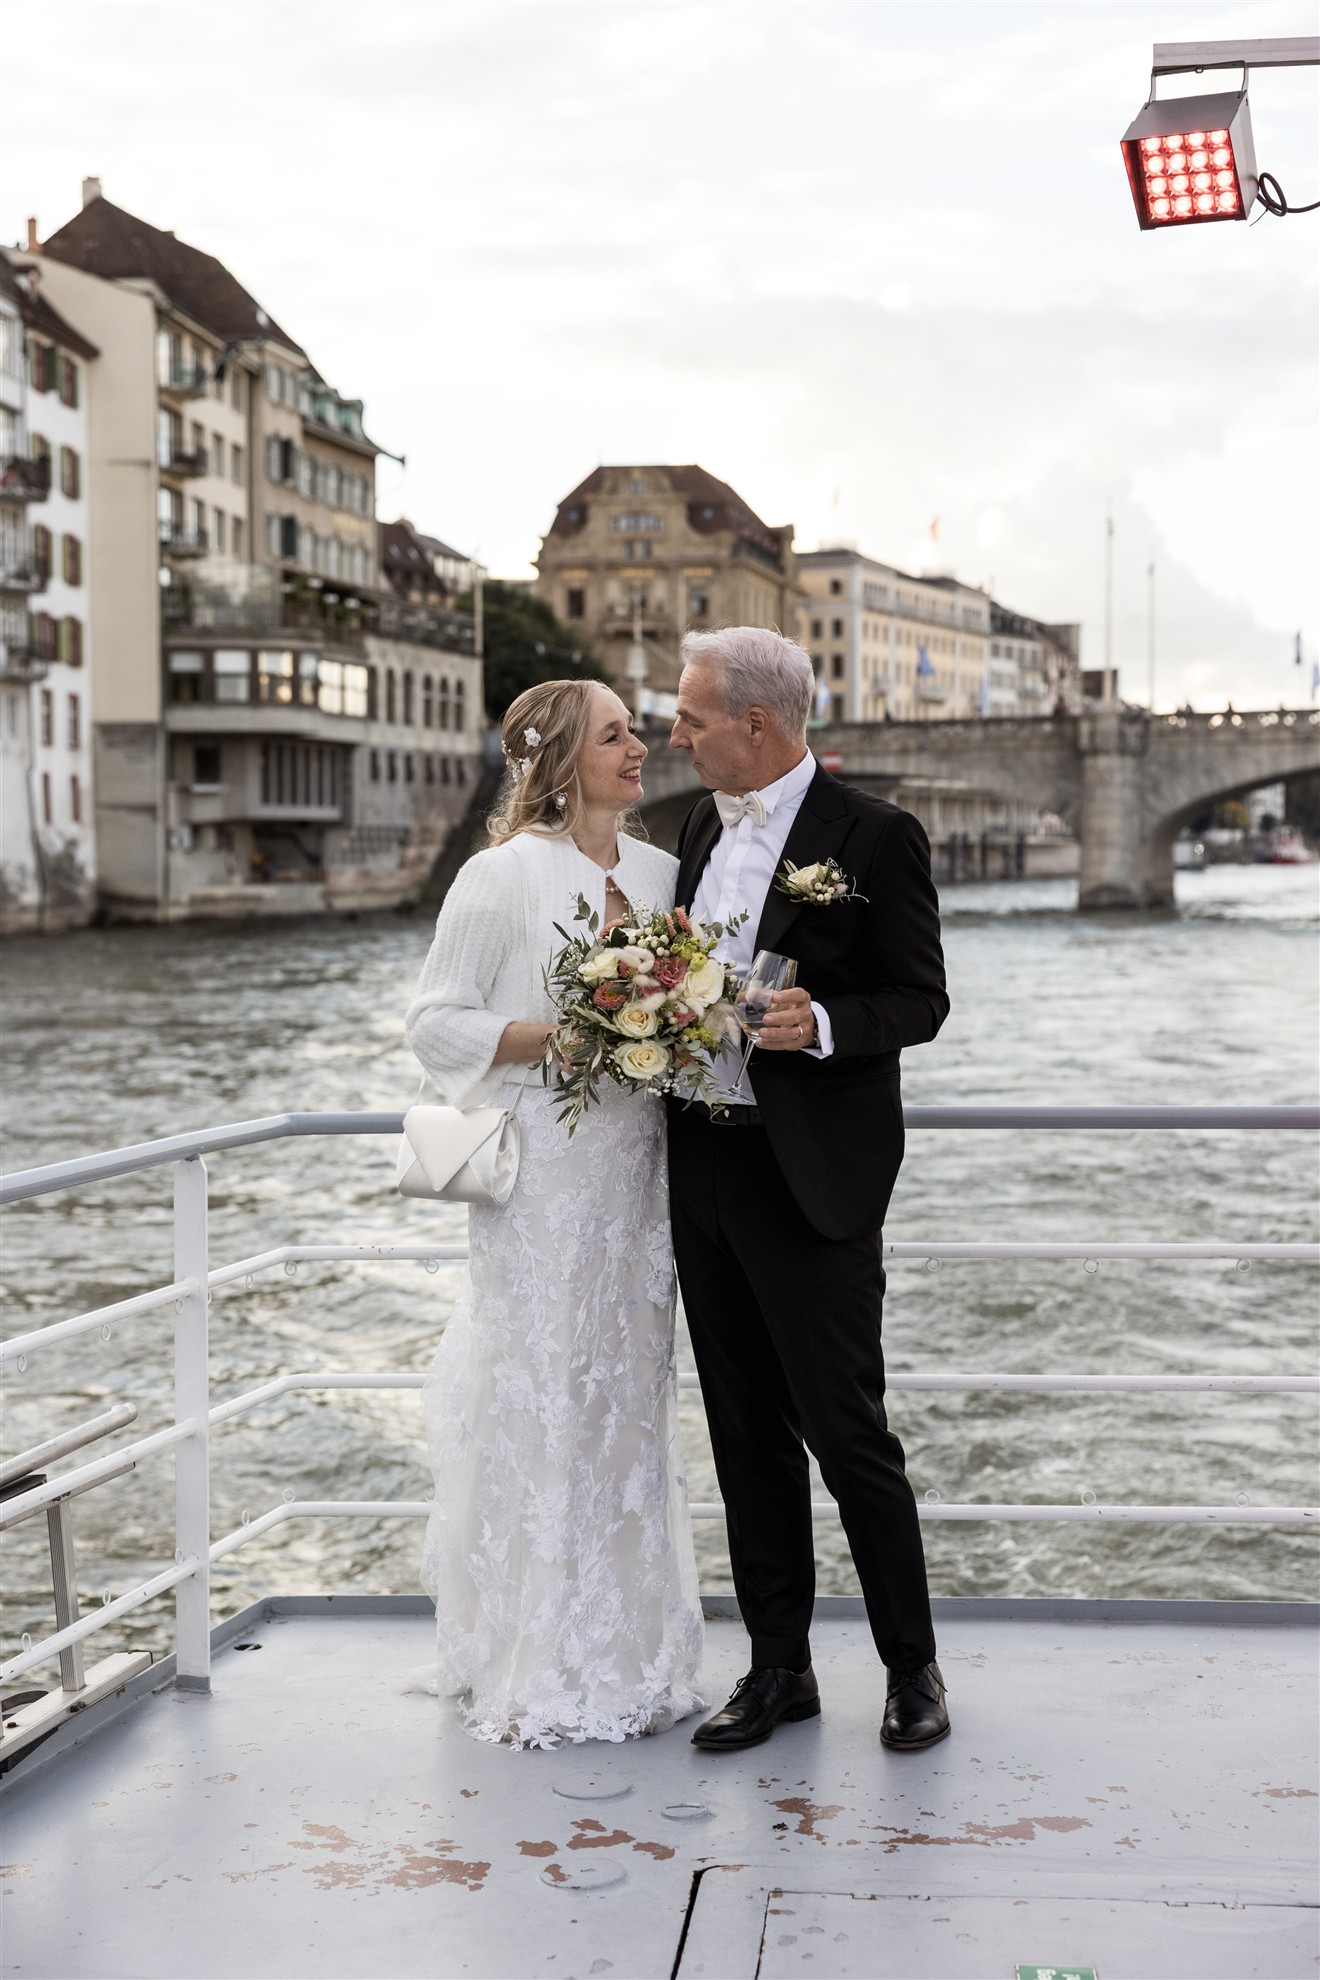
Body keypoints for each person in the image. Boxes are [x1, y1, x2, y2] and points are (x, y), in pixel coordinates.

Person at [667, 626, 951, 1754]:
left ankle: (912, 1668)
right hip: (702, 1160)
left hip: (815, 1180)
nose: (674, 736)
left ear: (757, 724)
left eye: (691, 719)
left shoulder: (876, 836)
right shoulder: (695, 824)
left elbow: (920, 999)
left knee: (847, 1431)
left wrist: (823, 1022)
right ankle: (778, 1668)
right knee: (742, 1433)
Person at [405, 678, 704, 1749]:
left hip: (636, 1178)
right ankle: (529, 1653)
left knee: (627, 1401)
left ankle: (632, 1651)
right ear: (565, 758)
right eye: (618, 735)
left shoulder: (667, 871)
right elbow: (435, 1024)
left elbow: (683, 1011)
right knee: (544, 1398)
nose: (641, 748)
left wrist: (674, 1020)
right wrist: (569, 1033)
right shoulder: (499, 877)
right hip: (542, 1183)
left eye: (636, 732)